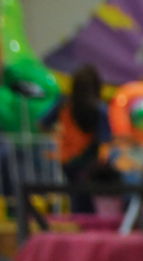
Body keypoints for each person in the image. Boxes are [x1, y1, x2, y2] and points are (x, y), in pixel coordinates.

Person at [39, 64, 111, 212]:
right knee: (92, 202)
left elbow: (41, 123)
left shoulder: (64, 103)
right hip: (91, 161)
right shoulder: (100, 108)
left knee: (75, 197)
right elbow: (105, 139)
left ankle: (77, 227)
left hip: (68, 160)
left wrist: (59, 134)